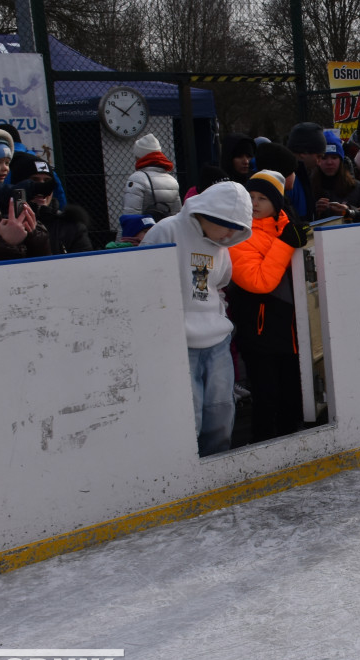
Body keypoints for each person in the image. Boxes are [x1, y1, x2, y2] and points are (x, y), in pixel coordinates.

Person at [140, 180, 252, 456]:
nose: (229, 235)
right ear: (209, 213)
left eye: (236, 229)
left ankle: (215, 473)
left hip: (217, 344)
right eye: (227, 225)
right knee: (188, 419)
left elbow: (219, 286)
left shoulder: (221, 246)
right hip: (178, 345)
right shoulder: (166, 231)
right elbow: (144, 284)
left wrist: (218, 320)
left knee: (221, 415)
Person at [227, 170, 307, 443]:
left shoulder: (287, 226)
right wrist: (286, 244)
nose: (255, 203)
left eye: (263, 197)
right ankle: (262, 446)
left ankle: (292, 442)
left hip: (291, 328)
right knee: (266, 395)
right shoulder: (238, 234)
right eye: (251, 197)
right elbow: (259, 281)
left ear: (277, 201)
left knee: (292, 393)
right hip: (259, 330)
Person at [5, 152, 92, 254]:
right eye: (34, 181)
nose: (42, 187)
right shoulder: (5, 225)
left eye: (47, 181)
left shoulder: (72, 227)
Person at [311, 130, 360, 221]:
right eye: (324, 158)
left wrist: (348, 211)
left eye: (334, 157)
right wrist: (314, 212)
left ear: (341, 160)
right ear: (318, 160)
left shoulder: (356, 187)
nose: (329, 162)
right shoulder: (308, 187)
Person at [123, 133, 182, 217]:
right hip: (166, 229)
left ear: (140, 157)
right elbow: (177, 214)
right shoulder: (172, 181)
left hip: (148, 229)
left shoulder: (137, 179)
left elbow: (131, 215)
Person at [285, 122, 326, 221]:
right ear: (303, 152)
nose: (319, 163)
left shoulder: (302, 174)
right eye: (318, 156)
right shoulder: (288, 178)